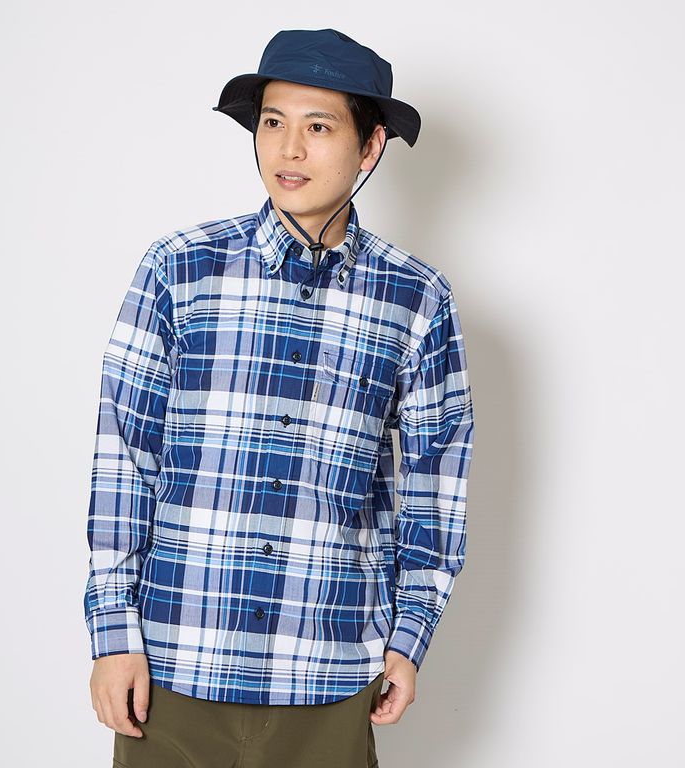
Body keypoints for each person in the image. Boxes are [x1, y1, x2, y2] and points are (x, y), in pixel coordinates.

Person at [83, 27, 475, 768]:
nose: (288, 149)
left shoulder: (417, 299)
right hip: (173, 665)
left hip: (330, 671)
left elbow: (435, 480)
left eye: (318, 127)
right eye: (272, 122)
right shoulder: (180, 270)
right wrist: (112, 635)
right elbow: (125, 458)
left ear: (370, 146)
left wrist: (410, 635)